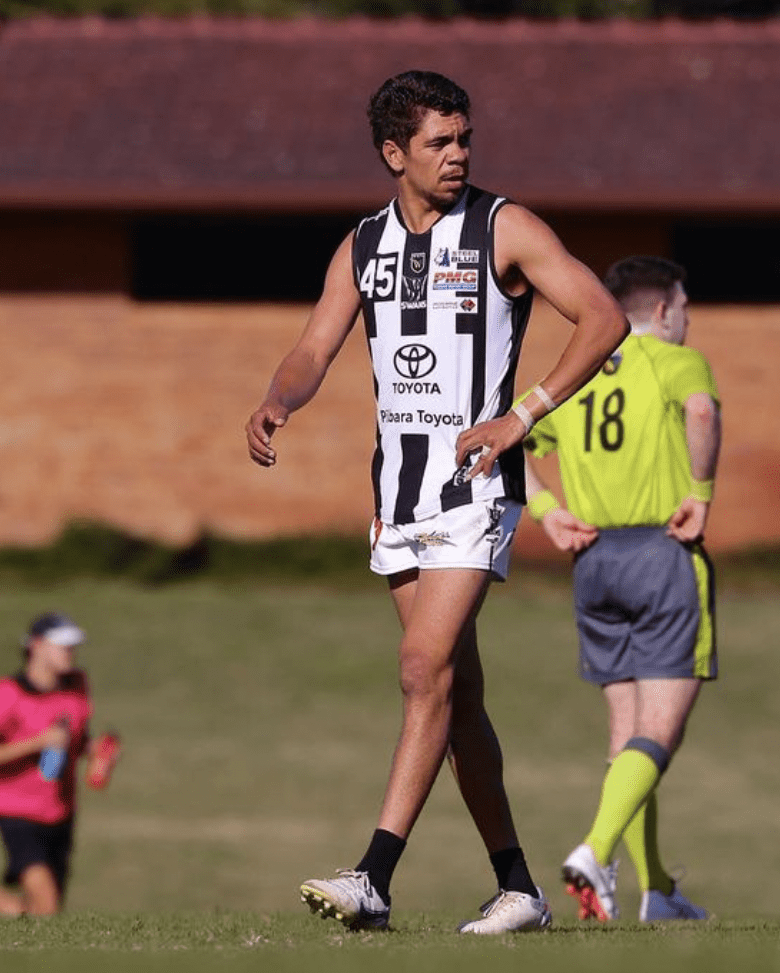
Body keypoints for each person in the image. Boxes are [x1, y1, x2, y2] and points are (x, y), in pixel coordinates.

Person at [245, 70, 628, 934]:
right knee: (454, 698)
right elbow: (314, 345)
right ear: (394, 153)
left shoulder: (505, 227)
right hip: (397, 492)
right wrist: (280, 399)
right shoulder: (361, 246)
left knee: (422, 668)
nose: (458, 156)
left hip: (477, 490)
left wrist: (519, 415)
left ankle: (373, 874)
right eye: (438, 143)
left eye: (464, 141)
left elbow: (602, 317)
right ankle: (519, 889)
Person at [522, 255, 720, 923]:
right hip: (661, 552)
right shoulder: (674, 361)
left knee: (625, 734)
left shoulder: (574, 371)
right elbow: (699, 413)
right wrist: (700, 493)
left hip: (595, 560)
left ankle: (656, 890)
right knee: (660, 731)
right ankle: (595, 850)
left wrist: (549, 513)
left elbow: (511, 445)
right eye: (685, 305)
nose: (687, 317)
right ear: (663, 310)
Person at [0, 611, 121, 916]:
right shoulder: (6, 697)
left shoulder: (75, 690)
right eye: (62, 646)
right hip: (15, 808)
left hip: (59, 811)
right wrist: (36, 742)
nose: (70, 653)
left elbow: (76, 740)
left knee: (44, 914)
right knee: (47, 908)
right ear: (37, 646)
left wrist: (98, 751)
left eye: (73, 646)